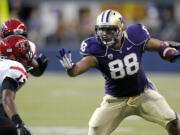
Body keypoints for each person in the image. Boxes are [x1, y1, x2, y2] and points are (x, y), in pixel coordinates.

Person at [57, 9, 180, 135]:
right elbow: (76, 70)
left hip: (143, 94)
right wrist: (70, 68)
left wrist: (168, 50)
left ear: (120, 29)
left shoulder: (134, 36)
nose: (105, 34)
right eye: (102, 30)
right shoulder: (96, 49)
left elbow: (159, 45)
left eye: (110, 30)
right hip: (115, 100)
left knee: (173, 122)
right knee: (94, 130)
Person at [0, 35, 34, 134]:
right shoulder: (15, 67)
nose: (27, 56)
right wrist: (18, 123)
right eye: (25, 53)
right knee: (15, 130)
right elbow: (6, 98)